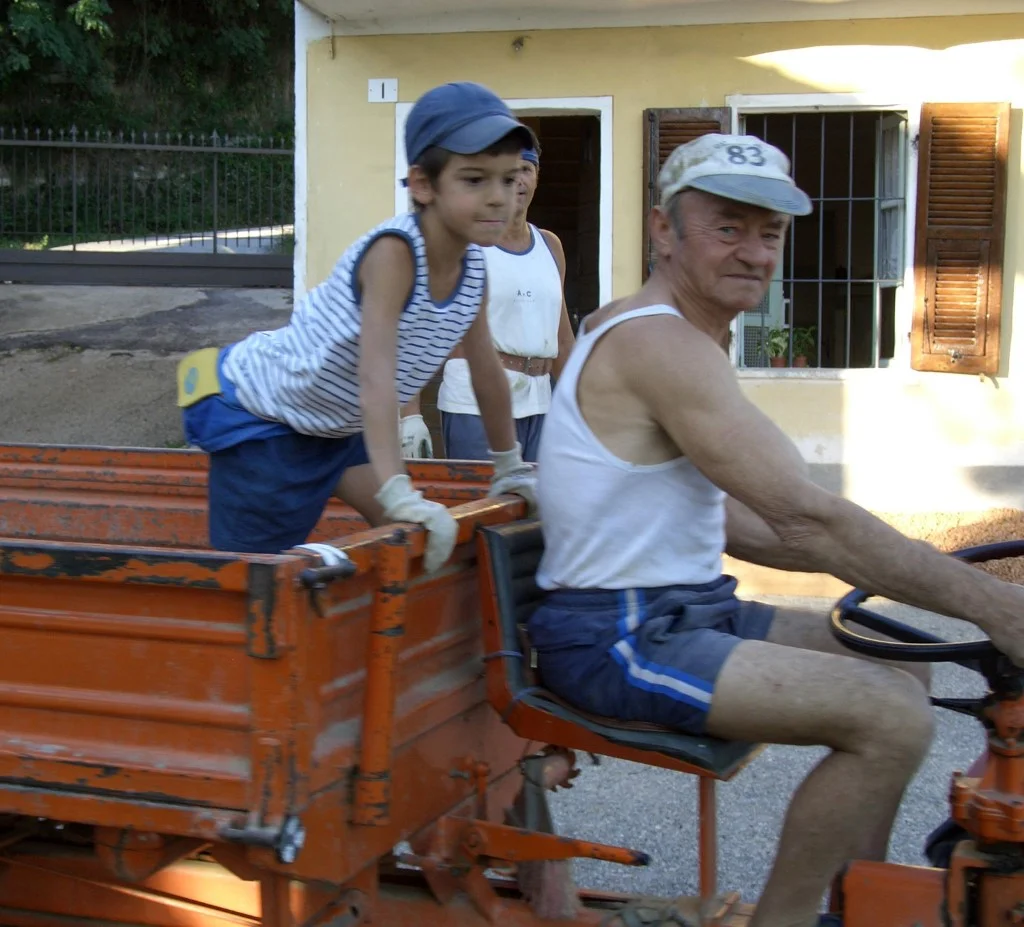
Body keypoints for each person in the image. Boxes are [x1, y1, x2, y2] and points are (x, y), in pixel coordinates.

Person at [526, 132, 1024, 927]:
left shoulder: (682, 335)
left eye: (770, 231)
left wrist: (876, 568)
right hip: (619, 634)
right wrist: (995, 606)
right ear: (663, 229)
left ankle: (851, 901)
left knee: (906, 669)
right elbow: (806, 514)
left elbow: (751, 523)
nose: (755, 252)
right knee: (889, 717)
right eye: (728, 227)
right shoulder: (659, 342)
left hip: (687, 608)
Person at [175, 81, 538, 572]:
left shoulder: (472, 268)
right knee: (255, 579)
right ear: (423, 185)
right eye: (475, 180)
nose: (500, 198)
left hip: (337, 425)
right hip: (268, 418)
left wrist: (509, 465)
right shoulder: (395, 253)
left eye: (509, 178)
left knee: (414, 543)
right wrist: (397, 489)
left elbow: (486, 371)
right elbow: (376, 377)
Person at [416, 143, 574, 462]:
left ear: (537, 178)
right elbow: (422, 330)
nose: (517, 181)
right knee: (485, 507)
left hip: (540, 404)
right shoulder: (466, 245)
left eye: (525, 170)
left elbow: (561, 338)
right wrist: (410, 414)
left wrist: (586, 408)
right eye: (507, 174)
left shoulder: (550, 246)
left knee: (536, 510)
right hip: (474, 406)